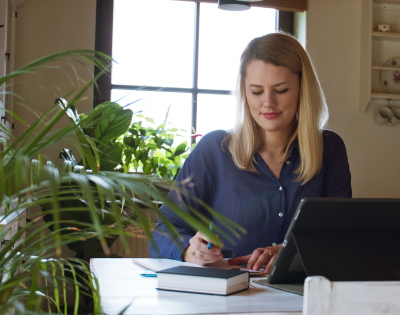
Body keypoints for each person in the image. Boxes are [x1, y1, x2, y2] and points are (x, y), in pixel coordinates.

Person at [148, 32, 351, 274]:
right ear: (244, 92)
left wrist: (291, 250)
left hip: (303, 297)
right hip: (228, 298)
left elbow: (340, 235)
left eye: (281, 90)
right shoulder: (214, 150)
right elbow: (163, 232)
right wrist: (189, 250)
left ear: (302, 90)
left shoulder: (330, 148)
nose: (268, 103)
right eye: (256, 91)